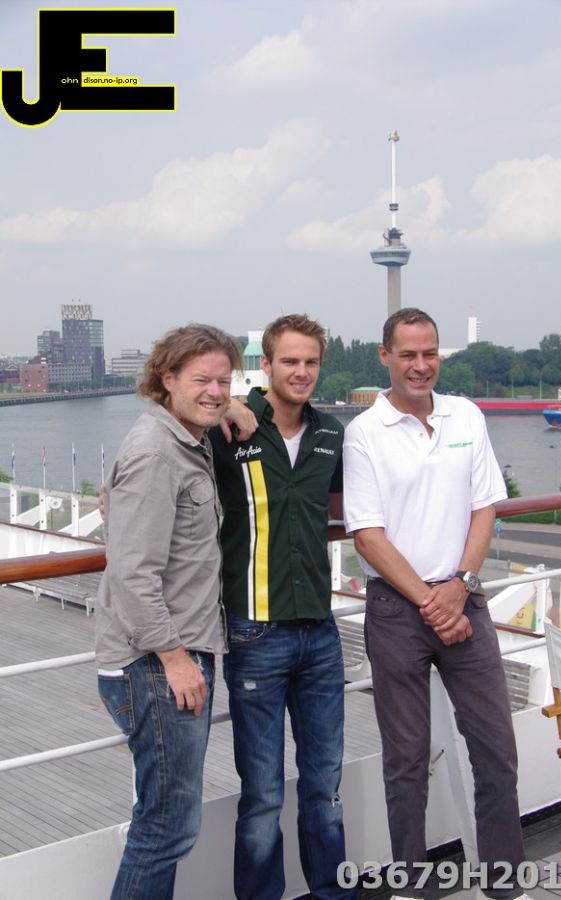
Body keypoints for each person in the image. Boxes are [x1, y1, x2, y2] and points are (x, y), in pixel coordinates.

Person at [343, 308, 529, 900]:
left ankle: (505, 883)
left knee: (496, 752)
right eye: (408, 355)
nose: (420, 366)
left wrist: (460, 584)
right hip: (398, 612)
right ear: (385, 357)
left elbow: (485, 507)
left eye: (430, 354)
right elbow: (366, 534)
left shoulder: (465, 415)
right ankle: (410, 886)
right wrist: (432, 601)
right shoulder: (364, 432)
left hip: (463, 600)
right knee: (406, 761)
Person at [210, 313, 357, 900]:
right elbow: (171, 426)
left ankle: (332, 892)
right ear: (266, 365)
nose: (301, 372)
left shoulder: (331, 434)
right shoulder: (229, 427)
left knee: (324, 785)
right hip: (255, 632)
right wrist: (224, 406)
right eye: (289, 361)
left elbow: (347, 509)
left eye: (311, 362)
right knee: (263, 794)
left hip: (320, 633)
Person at [95, 323, 243, 900]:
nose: (215, 391)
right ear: (168, 378)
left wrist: (232, 410)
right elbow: (133, 574)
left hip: (171, 657)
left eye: (224, 381)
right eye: (202, 380)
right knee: (166, 827)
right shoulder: (156, 452)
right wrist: (176, 659)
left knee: (167, 821)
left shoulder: (185, 438)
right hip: (156, 664)